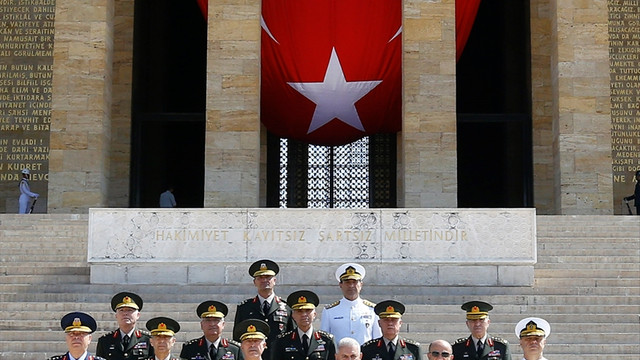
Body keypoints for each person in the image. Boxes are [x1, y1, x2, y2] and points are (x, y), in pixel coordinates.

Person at [233, 259, 294, 360]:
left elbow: (292, 337)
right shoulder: (244, 308)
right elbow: (237, 338)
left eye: (268, 277)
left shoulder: (286, 308)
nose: (264, 280)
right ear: (254, 282)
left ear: (274, 280)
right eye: (260, 277)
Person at [320, 263, 381, 345]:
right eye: (347, 282)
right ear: (340, 285)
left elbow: (377, 339)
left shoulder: (372, 310)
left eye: (355, 282)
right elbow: (325, 340)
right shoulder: (329, 311)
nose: (351, 285)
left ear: (361, 284)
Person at [270, 290, 336, 360]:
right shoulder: (283, 341)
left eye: (308, 310)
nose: (304, 315)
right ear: (293, 315)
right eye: (299, 311)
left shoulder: (327, 340)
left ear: (314, 314)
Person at [96, 292, 154, 360]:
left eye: (130, 310)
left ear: (138, 315)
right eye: (121, 310)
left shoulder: (148, 340)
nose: (125, 313)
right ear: (116, 315)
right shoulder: (105, 341)